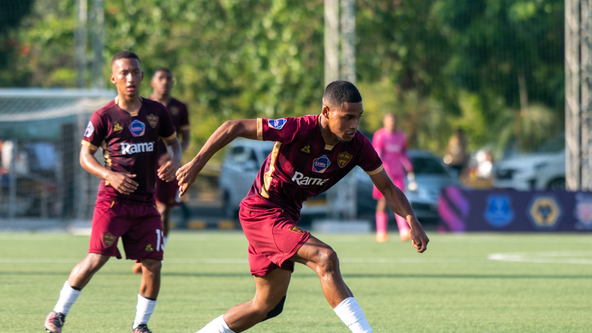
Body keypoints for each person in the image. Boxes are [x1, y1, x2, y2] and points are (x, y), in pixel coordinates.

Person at [176, 81, 429, 333]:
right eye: (347, 117)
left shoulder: (358, 146)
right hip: (261, 212)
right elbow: (233, 127)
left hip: (285, 218)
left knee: (265, 305)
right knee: (325, 258)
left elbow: (388, 188)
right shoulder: (298, 129)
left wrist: (411, 219)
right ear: (326, 112)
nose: (354, 125)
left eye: (358, 118)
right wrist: (196, 164)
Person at [43, 51, 181, 333]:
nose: (130, 78)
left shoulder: (157, 112)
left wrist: (175, 162)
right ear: (114, 78)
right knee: (97, 258)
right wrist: (110, 175)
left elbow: (174, 143)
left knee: (153, 265)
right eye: (124, 73)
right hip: (113, 202)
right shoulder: (103, 116)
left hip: (145, 204)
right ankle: (58, 313)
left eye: (135, 72)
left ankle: (140, 325)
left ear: (142, 76)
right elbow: (85, 156)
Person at [132, 68, 191, 275]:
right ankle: (141, 254)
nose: (165, 82)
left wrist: (175, 156)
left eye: (168, 78)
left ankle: (157, 252)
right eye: (161, 78)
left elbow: (185, 137)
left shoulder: (179, 108)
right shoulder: (141, 105)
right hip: (144, 164)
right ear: (152, 82)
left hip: (168, 167)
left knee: (164, 211)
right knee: (144, 210)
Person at [371, 113, 414, 243]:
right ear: (385, 122)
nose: (392, 123)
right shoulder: (380, 136)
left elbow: (403, 154)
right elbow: (377, 154)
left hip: (398, 174)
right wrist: (381, 171)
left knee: (399, 200)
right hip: (384, 174)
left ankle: (404, 230)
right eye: (389, 120)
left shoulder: (401, 136)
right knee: (383, 201)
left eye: (393, 120)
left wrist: (409, 168)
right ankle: (381, 232)